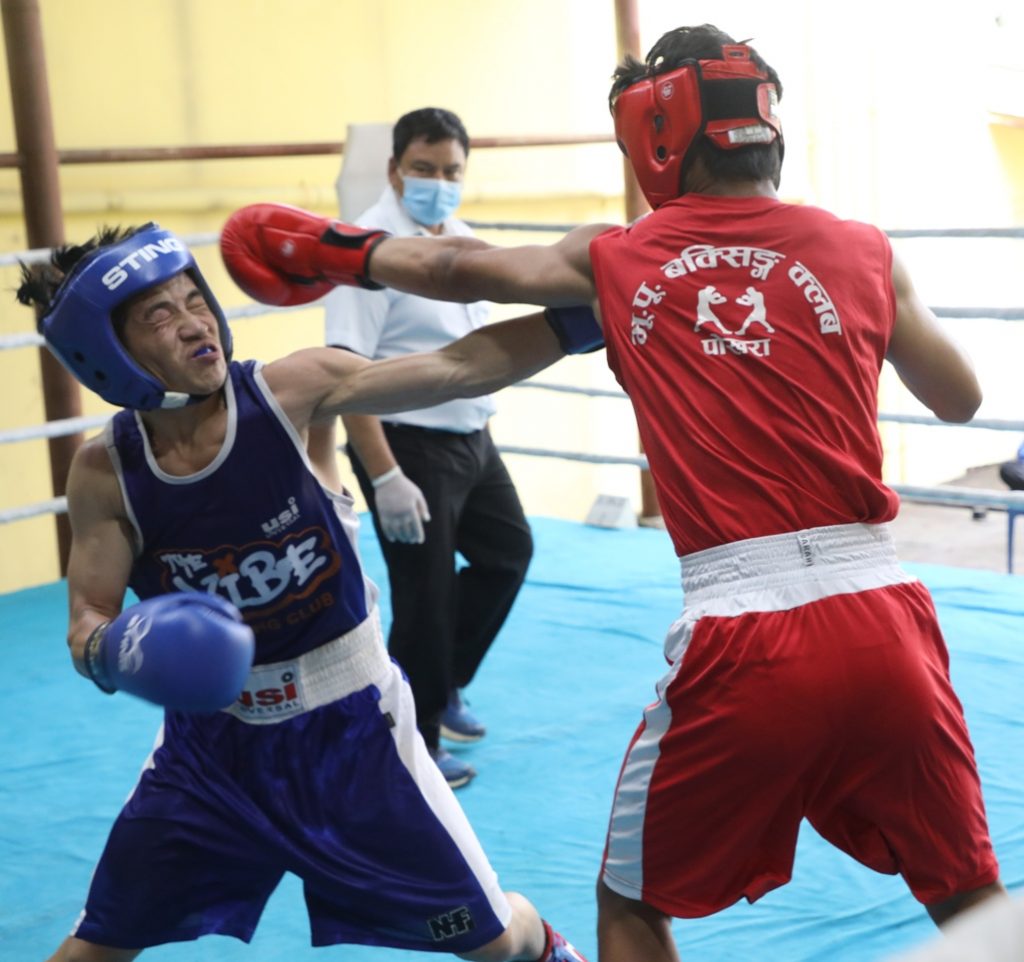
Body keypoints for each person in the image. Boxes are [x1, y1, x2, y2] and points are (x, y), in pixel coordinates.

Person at [220, 22, 1008, 962]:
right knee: (968, 893)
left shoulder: (623, 259)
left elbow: (455, 267)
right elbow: (960, 399)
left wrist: (331, 246)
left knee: (631, 903)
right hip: (887, 618)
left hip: (747, 632)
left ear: (656, 134)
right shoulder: (865, 250)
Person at [17, 224, 592, 962]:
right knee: (95, 948)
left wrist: (586, 318)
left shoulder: (289, 391)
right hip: (210, 754)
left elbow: (457, 368)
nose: (194, 323)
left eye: (195, 300)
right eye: (160, 315)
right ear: (106, 351)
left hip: (354, 732)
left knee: (493, 942)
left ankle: (544, 942)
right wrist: (114, 649)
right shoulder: (107, 472)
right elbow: (87, 620)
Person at [308, 107, 533, 789]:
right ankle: (413, 740)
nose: (439, 182)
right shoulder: (368, 254)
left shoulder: (460, 240)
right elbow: (345, 375)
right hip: (407, 445)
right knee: (425, 597)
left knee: (508, 553)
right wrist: (384, 476)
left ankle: (443, 679)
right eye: (424, 169)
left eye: (451, 171)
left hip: (473, 437)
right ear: (394, 169)